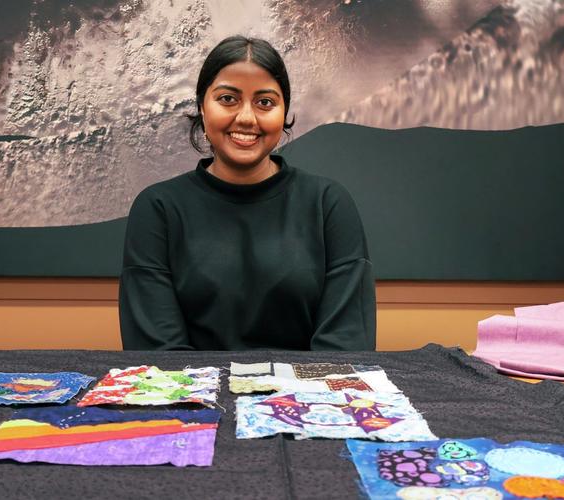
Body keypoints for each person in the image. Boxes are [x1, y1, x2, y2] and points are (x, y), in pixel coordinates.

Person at [119, 35, 375, 350]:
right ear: (202, 106)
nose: (246, 117)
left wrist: (283, 400)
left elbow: (345, 348)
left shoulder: (328, 205)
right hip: (193, 397)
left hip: (307, 397)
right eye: (228, 99)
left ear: (284, 113)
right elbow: (158, 357)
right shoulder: (158, 210)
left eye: (265, 102)